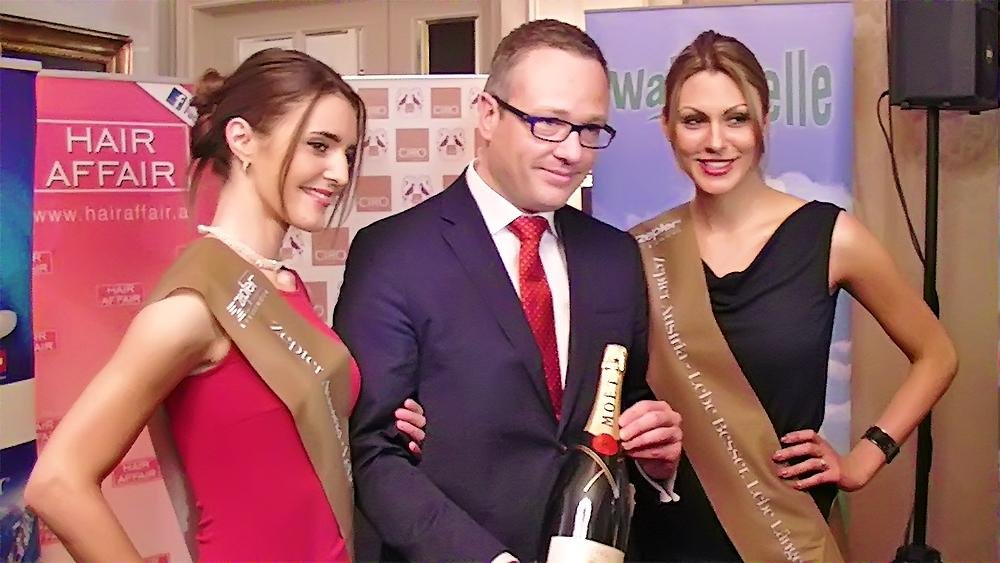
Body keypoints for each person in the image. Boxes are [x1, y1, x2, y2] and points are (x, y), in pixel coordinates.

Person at [24, 49, 426, 562]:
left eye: (347, 152)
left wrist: (385, 423)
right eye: (319, 146)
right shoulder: (193, 306)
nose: (340, 173)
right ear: (242, 140)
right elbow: (56, 483)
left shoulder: (283, 284)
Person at [333, 20, 683, 563]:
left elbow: (622, 402)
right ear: (488, 115)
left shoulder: (614, 255)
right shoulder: (394, 253)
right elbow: (371, 452)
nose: (572, 151)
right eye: (550, 124)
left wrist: (655, 458)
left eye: (591, 129)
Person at [629, 30, 958, 562]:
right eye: (694, 120)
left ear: (764, 123)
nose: (716, 141)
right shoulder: (641, 251)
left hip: (783, 532)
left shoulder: (831, 238)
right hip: (669, 531)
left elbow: (937, 354)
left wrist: (865, 458)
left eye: (736, 118)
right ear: (667, 127)